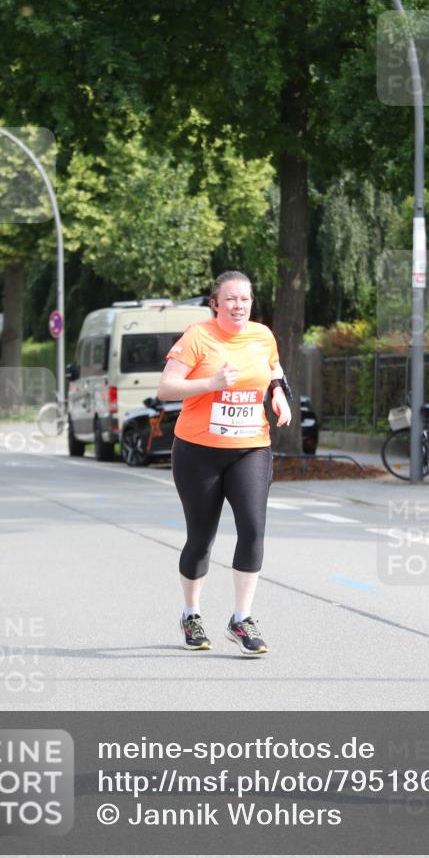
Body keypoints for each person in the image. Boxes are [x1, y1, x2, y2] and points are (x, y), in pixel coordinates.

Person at [157, 271, 291, 656]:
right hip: (198, 451)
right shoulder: (198, 337)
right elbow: (166, 388)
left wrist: (279, 393)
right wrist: (210, 384)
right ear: (215, 303)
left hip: (251, 447)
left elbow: (274, 369)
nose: (238, 306)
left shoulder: (263, 335)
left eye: (245, 299)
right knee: (201, 538)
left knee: (252, 528)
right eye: (230, 299)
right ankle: (191, 613)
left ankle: (242, 619)